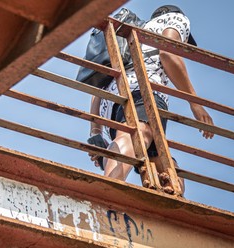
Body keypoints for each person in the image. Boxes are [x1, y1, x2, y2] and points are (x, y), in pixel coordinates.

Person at [89, 5, 214, 185]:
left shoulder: (130, 36)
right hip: (144, 92)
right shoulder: (176, 19)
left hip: (112, 102)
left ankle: (170, 207)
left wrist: (95, 132)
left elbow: (98, 84)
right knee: (139, 133)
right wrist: (195, 103)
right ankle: (108, 191)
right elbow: (168, 55)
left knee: (164, 164)